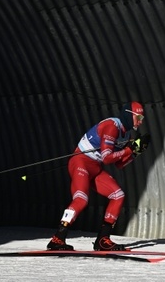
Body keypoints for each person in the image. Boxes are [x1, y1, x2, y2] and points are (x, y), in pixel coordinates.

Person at [47, 101, 150, 251]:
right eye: (138, 117)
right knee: (81, 199)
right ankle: (58, 238)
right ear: (129, 115)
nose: (141, 121)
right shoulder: (112, 126)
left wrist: (136, 152)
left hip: (95, 167)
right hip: (81, 162)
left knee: (118, 195)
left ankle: (103, 239)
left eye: (142, 118)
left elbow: (119, 164)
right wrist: (129, 150)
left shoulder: (126, 133)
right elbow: (107, 157)